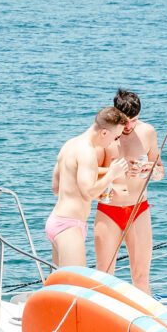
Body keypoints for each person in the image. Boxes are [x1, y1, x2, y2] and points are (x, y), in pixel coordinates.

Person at [94, 89, 164, 294]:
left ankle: (146, 322)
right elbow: (91, 172)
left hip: (138, 208)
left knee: (141, 277)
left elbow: (160, 170)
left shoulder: (148, 132)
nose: (129, 126)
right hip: (109, 209)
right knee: (104, 276)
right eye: (125, 121)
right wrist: (116, 169)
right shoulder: (105, 136)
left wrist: (148, 171)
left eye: (134, 121)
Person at [47, 107, 128, 268]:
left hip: (58, 220)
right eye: (115, 137)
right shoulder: (87, 151)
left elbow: (56, 188)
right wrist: (112, 173)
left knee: (61, 285)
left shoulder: (70, 144)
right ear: (104, 133)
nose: (114, 142)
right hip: (69, 226)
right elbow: (87, 192)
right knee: (75, 286)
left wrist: (99, 194)